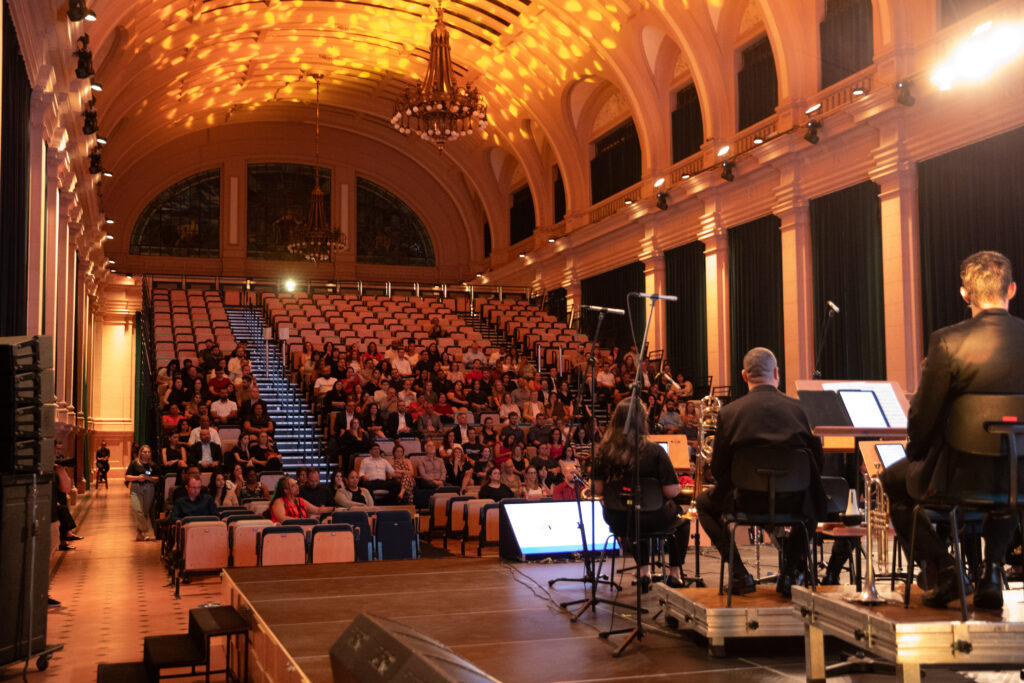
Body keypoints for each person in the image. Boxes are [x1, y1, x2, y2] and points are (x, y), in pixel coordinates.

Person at [882, 251, 1024, 610]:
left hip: (956, 476)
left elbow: (923, 420)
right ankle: (992, 571)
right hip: (1019, 474)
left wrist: (917, 454)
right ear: (1012, 289)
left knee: (893, 483)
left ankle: (946, 571)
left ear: (965, 294)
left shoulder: (946, 342)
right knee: (1006, 484)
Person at [695, 347, 825, 597]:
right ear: (777, 373)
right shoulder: (801, 410)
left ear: (744, 376)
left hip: (746, 500)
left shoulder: (729, 413)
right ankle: (789, 575)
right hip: (794, 501)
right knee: (814, 503)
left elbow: (719, 470)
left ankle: (739, 573)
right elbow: (817, 466)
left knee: (703, 504)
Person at [592, 400, 692, 591]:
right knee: (682, 520)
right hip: (654, 517)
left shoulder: (604, 453)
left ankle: (644, 572)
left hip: (618, 518)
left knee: (636, 517)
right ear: (642, 422)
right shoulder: (655, 451)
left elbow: (597, 490)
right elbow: (671, 491)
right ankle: (674, 573)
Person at [126, 444, 161, 540]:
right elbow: (127, 477)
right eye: (144, 452)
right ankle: (146, 530)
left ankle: (140, 533)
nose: (147, 454)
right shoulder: (134, 463)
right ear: (140, 453)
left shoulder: (153, 465)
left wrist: (149, 478)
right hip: (136, 488)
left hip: (149, 488)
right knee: (138, 510)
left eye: (148, 452)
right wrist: (138, 477)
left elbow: (157, 479)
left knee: (144, 512)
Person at [270, 476, 334, 523]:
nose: (297, 487)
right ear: (286, 490)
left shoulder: (300, 500)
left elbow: (317, 510)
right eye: (293, 486)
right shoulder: (279, 502)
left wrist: (335, 509)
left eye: (296, 484)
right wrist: (305, 520)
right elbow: (282, 519)